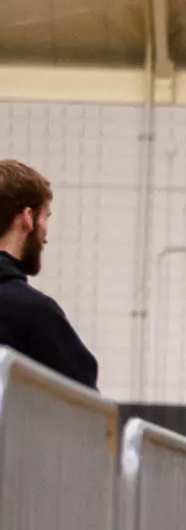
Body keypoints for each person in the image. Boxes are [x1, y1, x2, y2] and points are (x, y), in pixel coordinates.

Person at [0, 160, 96, 389]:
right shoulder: (33, 313)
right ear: (27, 217)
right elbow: (87, 411)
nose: (46, 236)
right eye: (46, 217)